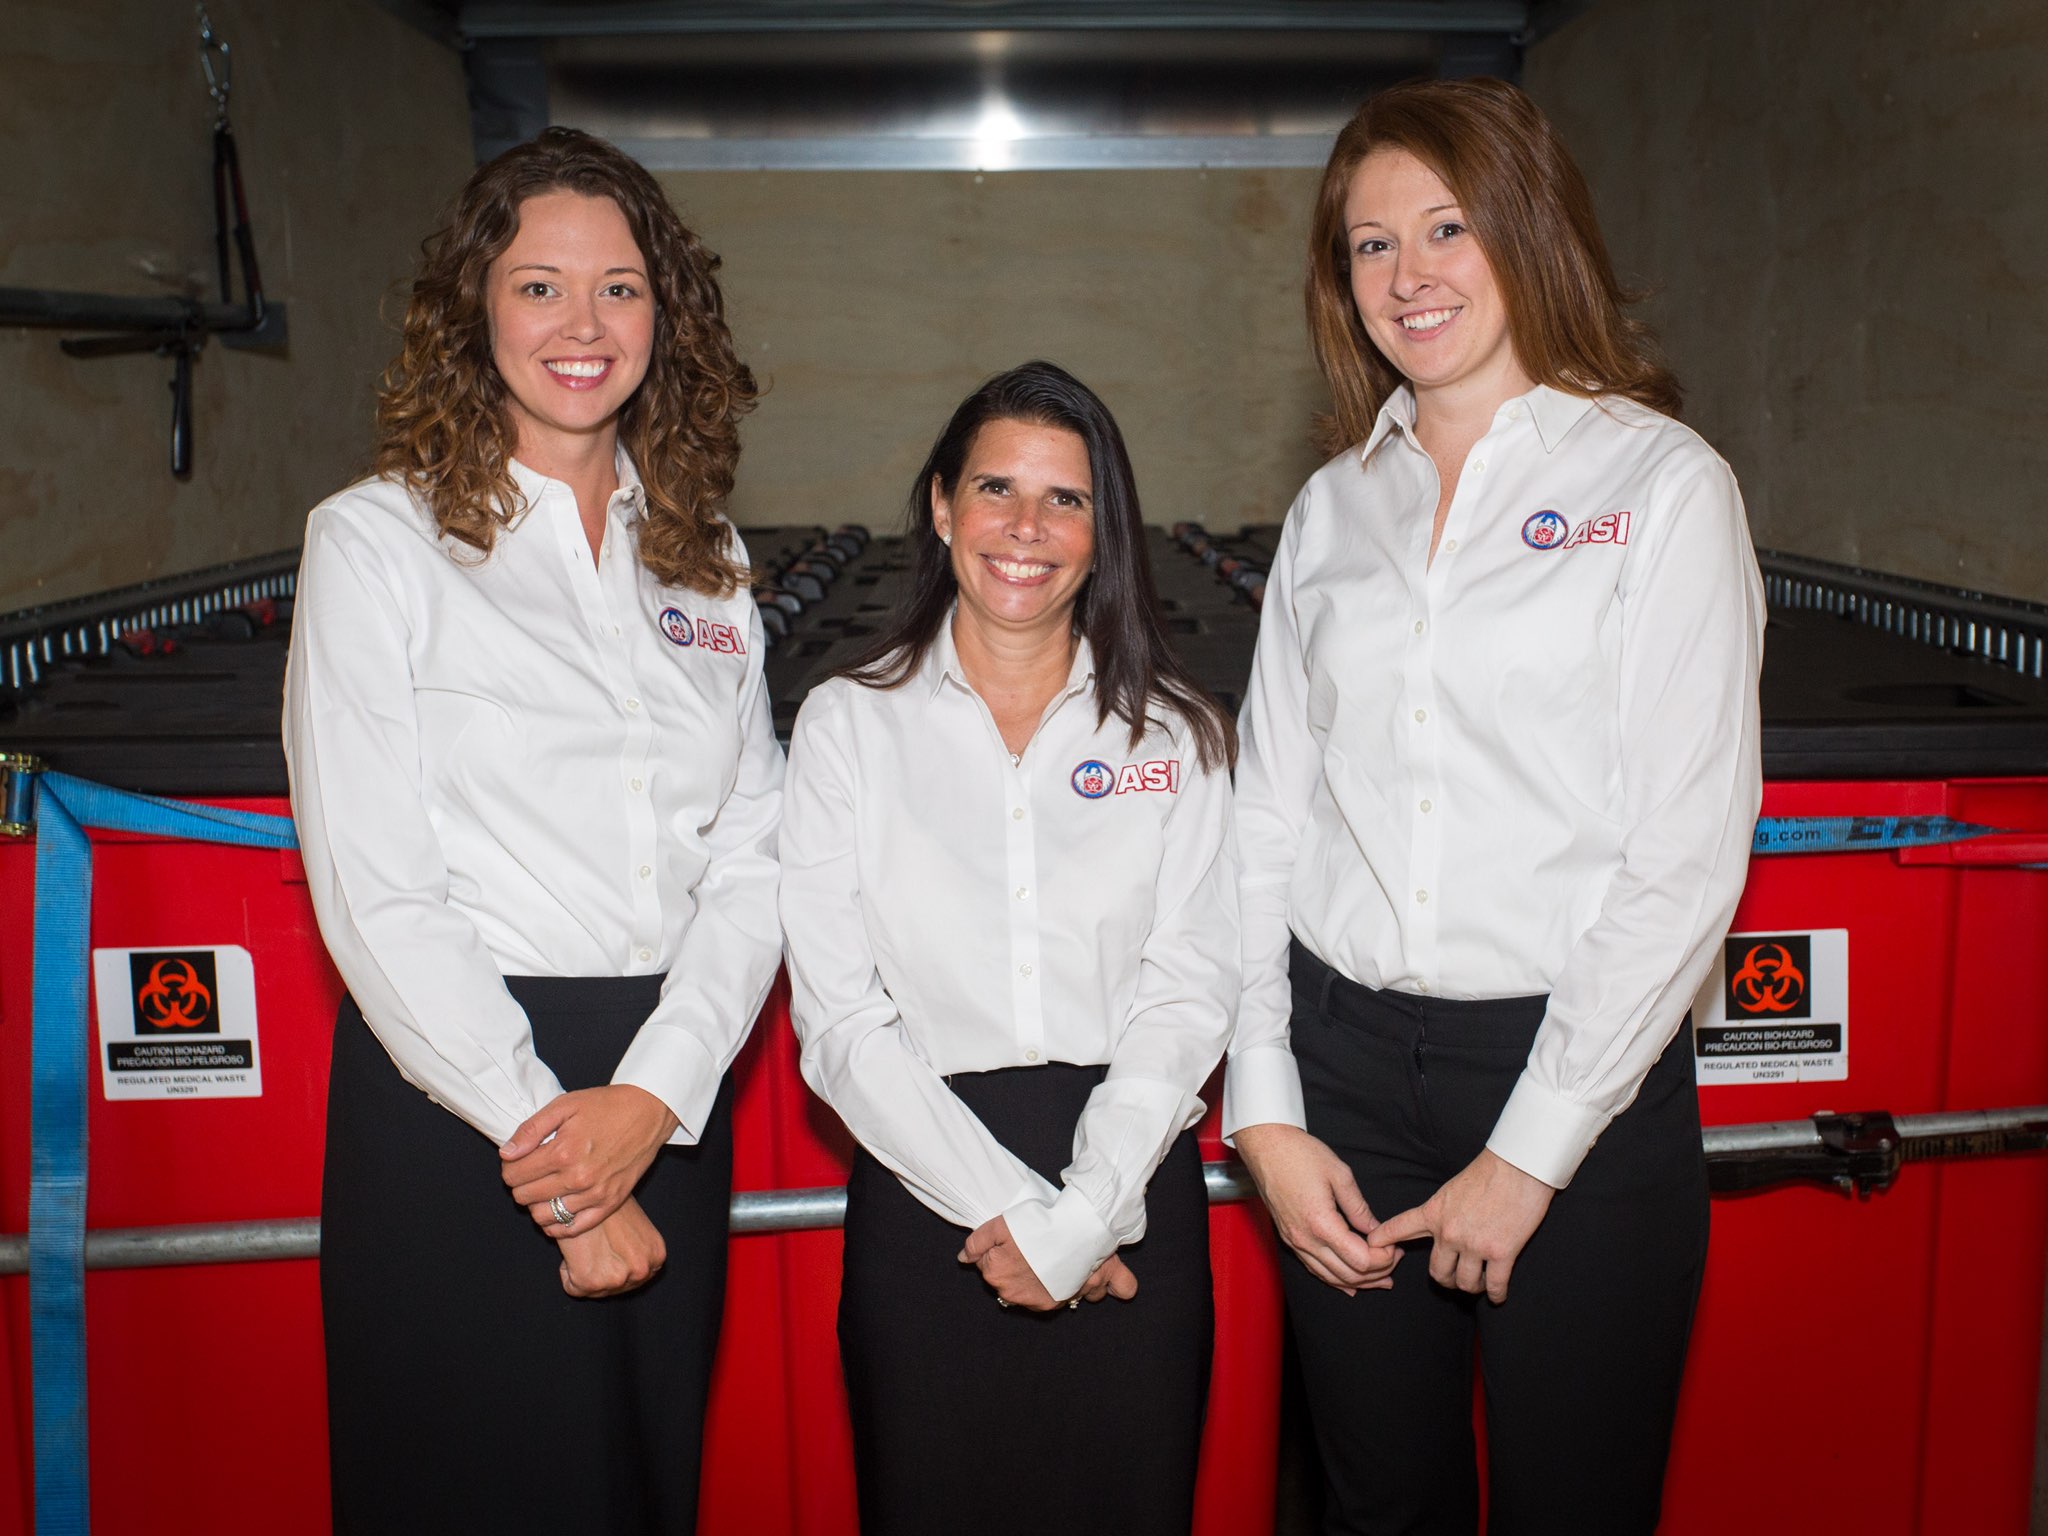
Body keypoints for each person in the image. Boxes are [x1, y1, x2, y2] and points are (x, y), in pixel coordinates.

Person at [1224, 78, 1763, 1534]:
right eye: (1368, 245)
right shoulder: (1336, 506)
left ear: (1527, 229)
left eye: (1446, 227)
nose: (1409, 276)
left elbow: (1687, 856)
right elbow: (1269, 817)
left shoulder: (1660, 486)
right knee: (1373, 1501)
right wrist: (1266, 1109)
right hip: (1340, 1075)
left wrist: (1529, 1153)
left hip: (1576, 1072)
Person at [283, 127, 782, 1534]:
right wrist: (563, 1166)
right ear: (474, 310)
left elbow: (752, 856)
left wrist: (656, 1097)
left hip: (666, 1088)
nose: (583, 325)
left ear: (663, 316)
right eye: (540, 285)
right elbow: (379, 891)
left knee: (641, 1489)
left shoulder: (709, 556)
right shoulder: (376, 544)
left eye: (620, 287)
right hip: (458, 1100)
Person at [779, 361, 1239, 1536]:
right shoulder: (847, 726)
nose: (1024, 529)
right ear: (941, 507)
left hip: (1127, 1177)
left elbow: (1188, 990)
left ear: (1104, 531)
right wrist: (1029, 1221)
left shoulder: (1174, 735)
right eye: (994, 489)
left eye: (1065, 500)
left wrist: (1083, 1215)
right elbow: (838, 1027)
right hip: (927, 1191)